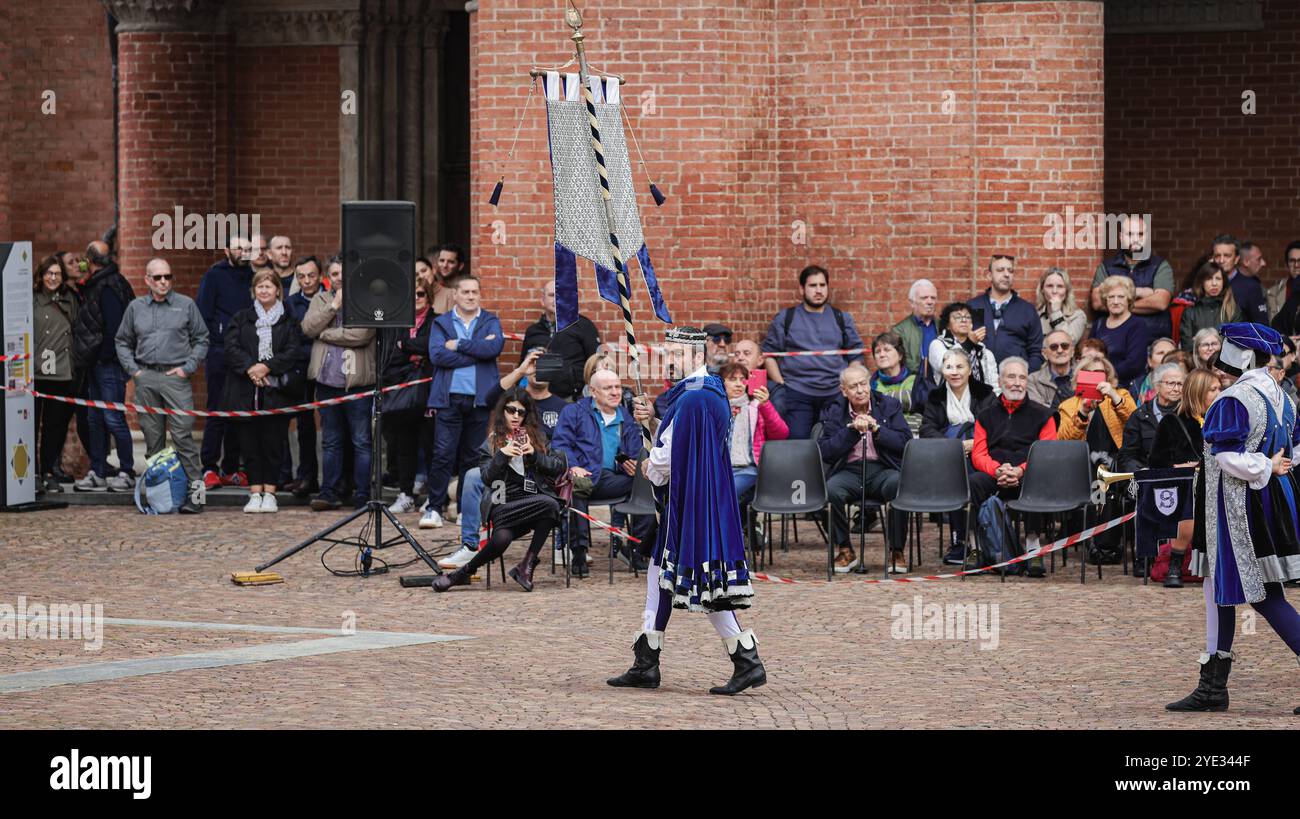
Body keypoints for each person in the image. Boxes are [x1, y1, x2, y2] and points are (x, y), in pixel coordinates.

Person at [607, 325, 767, 696]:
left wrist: (650, 466)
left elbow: (667, 455)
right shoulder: (707, 391)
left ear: (697, 356)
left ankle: (747, 660)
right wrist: (652, 424)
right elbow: (682, 437)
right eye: (666, 354)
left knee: (703, 583)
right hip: (701, 496)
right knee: (660, 572)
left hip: (691, 502)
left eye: (677, 354)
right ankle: (646, 661)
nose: (669, 361)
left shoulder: (693, 396)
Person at [1166, 323, 1300, 714]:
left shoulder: (1235, 399)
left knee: (1262, 594)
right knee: (1218, 587)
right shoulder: (1281, 396)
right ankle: (1212, 687)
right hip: (1258, 503)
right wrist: (1274, 468)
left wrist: (1264, 465)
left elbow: (1228, 457)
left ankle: (1212, 689)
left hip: (1236, 510)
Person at [440, 347, 572, 570]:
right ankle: (471, 546)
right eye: (535, 365)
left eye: (544, 365)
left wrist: (539, 454)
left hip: (537, 471)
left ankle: (561, 544)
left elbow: (564, 449)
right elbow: (489, 397)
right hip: (505, 474)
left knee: (562, 481)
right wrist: (521, 370)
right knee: (474, 475)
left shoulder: (562, 406)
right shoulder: (515, 397)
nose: (517, 416)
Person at [433, 390, 568, 594]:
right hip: (503, 503)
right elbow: (486, 478)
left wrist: (534, 456)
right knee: (510, 534)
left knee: (547, 509)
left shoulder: (537, 439)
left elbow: (558, 465)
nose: (515, 416)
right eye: (511, 410)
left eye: (521, 412)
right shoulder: (492, 443)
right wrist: (502, 456)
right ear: (502, 411)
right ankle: (512, 569)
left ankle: (465, 574)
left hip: (533, 501)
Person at [114, 258, 209, 512]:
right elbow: (122, 341)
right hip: (146, 378)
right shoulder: (136, 308)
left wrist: (188, 368)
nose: (164, 282)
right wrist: (134, 370)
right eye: (158, 278)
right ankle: (160, 496)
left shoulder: (186, 305)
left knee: (183, 437)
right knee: (153, 441)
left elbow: (202, 339)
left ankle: (197, 498)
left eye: (168, 277)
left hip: (176, 378)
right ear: (147, 280)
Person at [550, 368, 654, 577]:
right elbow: (560, 444)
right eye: (608, 388)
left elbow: (634, 448)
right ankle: (578, 551)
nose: (615, 392)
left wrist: (629, 462)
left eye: (617, 387)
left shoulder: (624, 416)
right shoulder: (575, 412)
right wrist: (572, 466)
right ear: (593, 392)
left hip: (611, 479)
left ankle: (636, 548)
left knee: (649, 485)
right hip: (584, 477)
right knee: (576, 487)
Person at [421, 275, 504, 528]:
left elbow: (493, 349)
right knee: (443, 454)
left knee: (472, 457)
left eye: (475, 292)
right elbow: (437, 355)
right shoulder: (442, 322)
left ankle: (464, 510)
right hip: (448, 398)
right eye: (465, 292)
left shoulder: (490, 320)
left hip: (480, 399)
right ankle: (434, 508)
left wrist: (458, 345)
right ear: (454, 295)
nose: (470, 296)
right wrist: (476, 353)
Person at [220, 269, 304, 513]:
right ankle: (255, 492)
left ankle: (270, 493)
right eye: (260, 287)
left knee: (273, 445)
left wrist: (267, 367)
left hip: (275, 392)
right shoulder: (242, 318)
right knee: (250, 445)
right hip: (245, 391)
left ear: (278, 290)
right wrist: (251, 369)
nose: (264, 290)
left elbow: (293, 351)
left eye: (269, 286)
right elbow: (231, 347)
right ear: (253, 291)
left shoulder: (288, 320)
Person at [816, 363, 911, 574]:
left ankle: (896, 551)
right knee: (830, 490)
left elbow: (906, 442)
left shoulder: (889, 405)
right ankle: (845, 550)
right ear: (843, 390)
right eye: (853, 386)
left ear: (871, 384)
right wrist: (850, 431)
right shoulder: (834, 410)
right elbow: (825, 450)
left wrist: (877, 430)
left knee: (898, 485)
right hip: (849, 471)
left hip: (883, 470)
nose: (860, 390)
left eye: (863, 384)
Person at [301, 255, 377, 511]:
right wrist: (333, 306)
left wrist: (327, 334)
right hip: (327, 383)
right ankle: (329, 492)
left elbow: (363, 334)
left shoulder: (367, 300)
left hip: (359, 384)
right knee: (330, 440)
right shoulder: (320, 299)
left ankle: (363, 494)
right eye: (335, 274)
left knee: (361, 441)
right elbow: (308, 328)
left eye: (345, 273)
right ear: (328, 277)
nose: (340, 278)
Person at [971, 357, 1058, 577]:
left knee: (1037, 480)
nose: (1017, 382)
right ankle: (975, 547)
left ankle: (1032, 545)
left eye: (1022, 377)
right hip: (995, 473)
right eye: (1011, 377)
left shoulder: (1044, 414)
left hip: (1027, 473)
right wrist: (998, 470)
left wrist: (1020, 470)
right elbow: (978, 454)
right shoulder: (985, 415)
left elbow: (1047, 453)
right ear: (1000, 381)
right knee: (973, 482)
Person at [761, 265, 865, 439]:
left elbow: (856, 354)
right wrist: (782, 384)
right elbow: (769, 355)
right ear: (802, 289)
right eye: (813, 286)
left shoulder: (841, 318)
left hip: (834, 393)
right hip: (797, 393)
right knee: (797, 445)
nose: (818, 290)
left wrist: (848, 384)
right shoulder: (786, 318)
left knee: (835, 443)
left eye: (822, 285)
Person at [919, 347, 998, 564]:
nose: (954, 372)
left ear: (970, 369)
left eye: (959, 366)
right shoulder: (935, 397)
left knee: (967, 477)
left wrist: (975, 443)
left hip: (980, 453)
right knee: (958, 473)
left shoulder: (985, 394)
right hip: (949, 456)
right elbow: (926, 430)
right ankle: (960, 540)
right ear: (942, 370)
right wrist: (954, 445)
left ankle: (973, 539)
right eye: (949, 367)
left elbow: (995, 427)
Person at [71, 239, 137, 492]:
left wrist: (104, 357)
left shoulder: (108, 286)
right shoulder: (99, 284)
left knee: (113, 418)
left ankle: (126, 470)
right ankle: (98, 470)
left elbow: (113, 328)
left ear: (90, 260)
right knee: (94, 418)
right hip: (96, 363)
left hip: (107, 364)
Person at [1148, 368, 1220, 589]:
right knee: (1188, 506)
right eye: (1213, 389)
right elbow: (1156, 463)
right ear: (1198, 393)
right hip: (1181, 486)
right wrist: (1178, 468)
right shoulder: (1172, 422)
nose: (1220, 393)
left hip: (1218, 484)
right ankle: (1175, 564)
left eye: (1219, 388)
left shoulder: (1221, 420)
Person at [196, 234, 253, 490]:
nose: (243, 252)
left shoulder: (254, 277)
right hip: (219, 353)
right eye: (238, 247)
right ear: (226, 249)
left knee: (239, 413)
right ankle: (209, 467)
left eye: (247, 248)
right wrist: (214, 344)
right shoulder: (214, 276)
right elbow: (203, 315)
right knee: (217, 411)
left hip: (245, 355)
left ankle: (232, 468)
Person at [32, 255, 78, 493]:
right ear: (41, 275)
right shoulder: (31, 299)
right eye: (49, 273)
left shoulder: (71, 299)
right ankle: (31, 474)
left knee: (54, 428)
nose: (53, 278)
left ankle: (49, 472)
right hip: (35, 374)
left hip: (61, 374)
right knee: (29, 427)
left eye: (57, 274)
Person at [1089, 215, 1176, 339]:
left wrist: (1117, 302)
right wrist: (1142, 292)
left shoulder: (1161, 265)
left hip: (1152, 340)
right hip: (1114, 339)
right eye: (1130, 234)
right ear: (1120, 237)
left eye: (1140, 234)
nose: (1135, 239)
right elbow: (1097, 302)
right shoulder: (1106, 267)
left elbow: (1160, 302)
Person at [719, 362, 788, 508]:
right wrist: (723, 416)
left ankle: (729, 530)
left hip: (749, 469)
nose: (739, 384)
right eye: (732, 379)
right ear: (721, 382)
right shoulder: (716, 407)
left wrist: (766, 405)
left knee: (725, 494)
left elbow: (781, 433)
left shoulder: (755, 407)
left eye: (742, 379)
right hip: (719, 468)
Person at [282, 256, 323, 496]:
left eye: (311, 275)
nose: (307, 280)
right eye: (301, 276)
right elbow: (294, 335)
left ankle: (337, 480)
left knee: (332, 424)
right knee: (304, 424)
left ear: (320, 276)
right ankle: (306, 476)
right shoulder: (291, 303)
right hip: (301, 368)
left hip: (328, 366)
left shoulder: (330, 298)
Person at [519, 280, 600, 399]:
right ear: (542, 300)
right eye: (552, 295)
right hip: (536, 398)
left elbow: (596, 362)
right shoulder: (533, 331)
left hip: (571, 399)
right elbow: (522, 366)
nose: (557, 299)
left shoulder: (583, 326)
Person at [968, 254, 1044, 372]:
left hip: (1015, 382)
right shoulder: (973, 306)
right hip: (980, 381)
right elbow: (960, 342)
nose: (1006, 274)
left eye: (1010, 271)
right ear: (989, 275)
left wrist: (1025, 375)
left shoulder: (1027, 310)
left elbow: (1036, 351)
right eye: (1000, 270)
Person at [1055, 357, 1137, 453]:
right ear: (1079, 377)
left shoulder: (1121, 395)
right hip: (1082, 460)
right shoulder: (1067, 405)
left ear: (1107, 376)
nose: (1093, 376)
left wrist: (1115, 397)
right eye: (1087, 373)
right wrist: (1083, 413)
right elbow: (1063, 442)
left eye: (1099, 372)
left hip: (1117, 459)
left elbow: (1135, 422)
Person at [1118, 361, 1185, 474]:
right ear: (1157, 386)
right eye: (1171, 383)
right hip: (1149, 479)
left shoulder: (1189, 414)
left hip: (1182, 478)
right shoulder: (1139, 416)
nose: (1176, 389)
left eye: (1180, 384)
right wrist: (1141, 471)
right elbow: (1127, 456)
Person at [1089, 275, 1148, 386]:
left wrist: (1106, 376)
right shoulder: (1098, 324)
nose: (1115, 301)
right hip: (1097, 384)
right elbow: (1088, 354)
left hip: (1125, 387)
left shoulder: (1137, 325)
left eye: (1121, 297)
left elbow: (1134, 364)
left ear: (1129, 299)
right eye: (1111, 297)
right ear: (1105, 299)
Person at [927, 301, 998, 390]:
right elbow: (949, 366)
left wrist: (994, 402)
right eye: (958, 317)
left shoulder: (985, 352)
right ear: (947, 325)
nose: (964, 320)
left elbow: (994, 385)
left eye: (968, 317)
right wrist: (969, 344)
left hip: (982, 401)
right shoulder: (937, 345)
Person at [868, 330, 926, 433]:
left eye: (887, 350)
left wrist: (881, 398)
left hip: (915, 436)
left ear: (900, 355)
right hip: (885, 437)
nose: (881, 355)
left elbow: (912, 400)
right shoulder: (871, 384)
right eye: (877, 351)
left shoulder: (915, 380)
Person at [1179, 262, 1240, 352]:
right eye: (1209, 279)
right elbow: (1187, 346)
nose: (1214, 283)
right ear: (1202, 282)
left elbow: (1238, 342)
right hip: (1198, 364)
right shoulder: (1190, 312)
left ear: (1223, 282)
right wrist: (1222, 340)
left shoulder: (1233, 310)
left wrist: (1200, 342)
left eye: (1218, 278)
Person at [1212, 234, 1268, 324]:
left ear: (1237, 258)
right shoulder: (1205, 283)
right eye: (1217, 255)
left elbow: (1261, 324)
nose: (1221, 260)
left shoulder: (1251, 286)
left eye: (1227, 255)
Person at [890, 279, 939, 381]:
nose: (930, 302)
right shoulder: (899, 330)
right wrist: (928, 371)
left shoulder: (943, 326)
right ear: (912, 302)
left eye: (933, 298)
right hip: (913, 384)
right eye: (924, 298)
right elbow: (902, 361)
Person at [1026, 330, 1078, 413]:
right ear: (1044, 354)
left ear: (1072, 351)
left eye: (1065, 346)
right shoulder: (1032, 380)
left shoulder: (1084, 375)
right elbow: (1038, 412)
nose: (1060, 350)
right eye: (1054, 347)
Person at [1036, 267, 1087, 345]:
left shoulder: (1078, 315)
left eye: (1060, 286)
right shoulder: (1035, 315)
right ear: (1042, 290)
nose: (1054, 291)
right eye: (1049, 286)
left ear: (1066, 291)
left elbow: (1068, 343)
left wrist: (1056, 312)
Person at [1127, 337, 1177, 404]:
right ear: (1149, 361)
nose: (1166, 356)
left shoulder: (1185, 387)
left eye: (1171, 353)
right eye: (1160, 353)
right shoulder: (1136, 386)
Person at [1267, 240, 1300, 323]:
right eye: (1292, 261)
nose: (1296, 265)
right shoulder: (1273, 292)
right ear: (1287, 264)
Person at [428, 243, 466, 315]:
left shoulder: (464, 290)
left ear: (460, 266)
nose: (445, 265)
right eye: (442, 260)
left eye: (451, 262)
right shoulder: (432, 288)